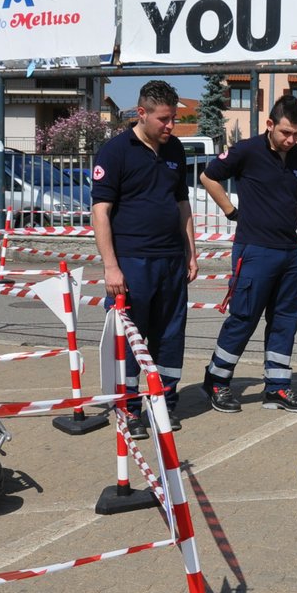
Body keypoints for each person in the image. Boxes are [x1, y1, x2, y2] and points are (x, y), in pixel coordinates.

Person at [199, 95, 297, 413]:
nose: (291, 139)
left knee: (286, 320)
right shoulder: (247, 150)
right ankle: (217, 380)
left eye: (296, 133)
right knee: (243, 318)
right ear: (270, 124)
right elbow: (208, 176)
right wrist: (230, 211)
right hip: (254, 250)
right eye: (285, 132)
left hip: (288, 252)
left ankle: (278, 388)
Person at [90, 80, 197, 436]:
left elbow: (182, 204)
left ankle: (164, 403)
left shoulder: (175, 150)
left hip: (170, 261)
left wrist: (191, 254)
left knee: (170, 336)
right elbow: (101, 212)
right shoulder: (115, 152)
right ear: (142, 113)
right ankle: (130, 408)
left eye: (172, 119)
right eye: (164, 119)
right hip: (132, 263)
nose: (170, 126)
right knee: (131, 339)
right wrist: (111, 266)